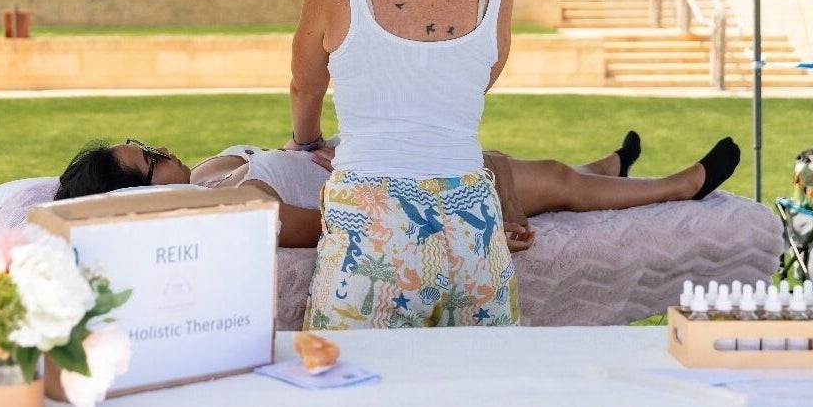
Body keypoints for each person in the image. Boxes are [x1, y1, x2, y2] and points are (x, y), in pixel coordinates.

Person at [286, 0, 518, 329]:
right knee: (484, 385)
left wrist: (306, 140)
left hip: (371, 222)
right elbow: (473, 84)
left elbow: (305, 86)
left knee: (348, 385)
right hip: (472, 223)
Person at [55, 131, 741, 252]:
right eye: (148, 160)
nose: (161, 151)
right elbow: (333, 226)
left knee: (545, 170)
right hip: (396, 185)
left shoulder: (208, 175)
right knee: (548, 181)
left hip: (366, 155)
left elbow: (288, 166)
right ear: (134, 196)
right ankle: (683, 187)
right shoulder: (225, 211)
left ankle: (605, 170)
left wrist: (311, 152)